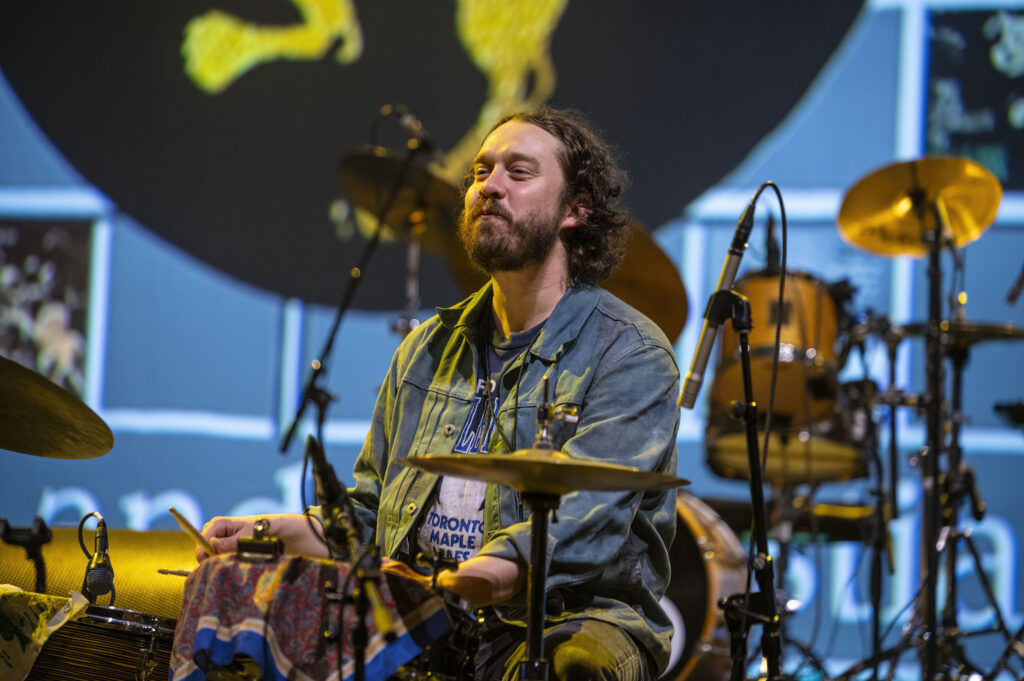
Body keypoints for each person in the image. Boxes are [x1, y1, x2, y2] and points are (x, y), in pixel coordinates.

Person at [200, 107, 681, 680]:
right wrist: (275, 532)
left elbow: (586, 522)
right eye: (480, 171)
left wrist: (473, 580)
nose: (489, 186)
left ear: (576, 209)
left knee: (573, 666)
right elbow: (370, 514)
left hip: (566, 616)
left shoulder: (630, 352)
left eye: (518, 172)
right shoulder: (428, 346)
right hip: (428, 611)